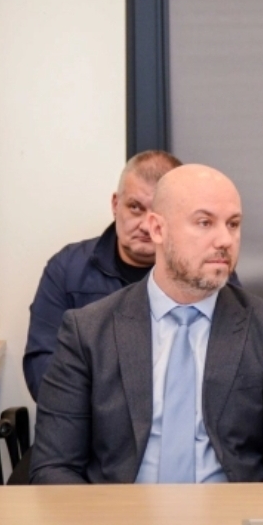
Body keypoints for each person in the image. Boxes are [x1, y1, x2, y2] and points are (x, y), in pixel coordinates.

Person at [6, 164, 263, 525]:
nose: (224, 240)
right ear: (157, 228)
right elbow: (54, 468)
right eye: (204, 223)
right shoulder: (89, 330)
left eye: (233, 224)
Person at [23, 150, 182, 401]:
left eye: (158, 213)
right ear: (116, 205)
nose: (145, 225)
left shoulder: (202, 272)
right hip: (84, 421)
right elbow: (43, 370)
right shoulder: (67, 269)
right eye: (135, 208)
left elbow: (227, 368)